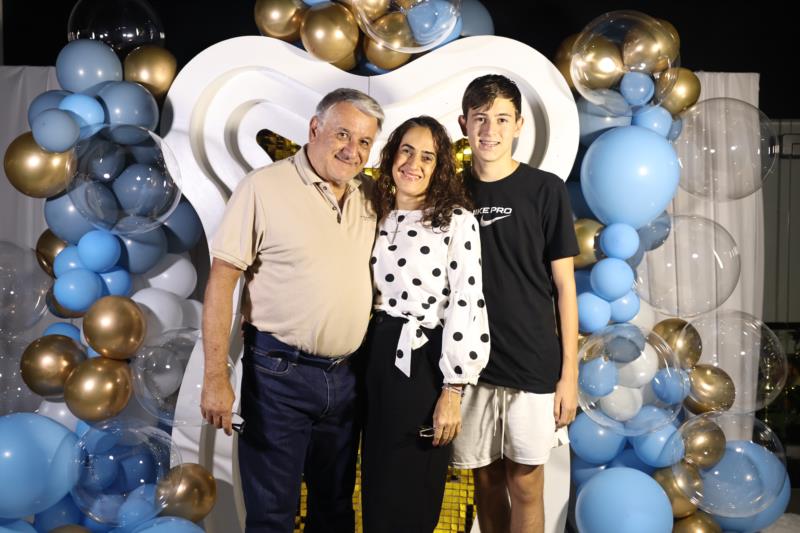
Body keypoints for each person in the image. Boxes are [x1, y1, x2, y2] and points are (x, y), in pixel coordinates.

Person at [200, 88, 384, 533]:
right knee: (271, 517)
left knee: (335, 514)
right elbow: (222, 280)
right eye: (343, 134)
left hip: (346, 378)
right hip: (277, 377)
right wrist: (216, 376)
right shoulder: (263, 187)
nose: (353, 150)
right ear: (315, 129)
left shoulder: (370, 194)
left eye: (364, 141)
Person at [451, 74, 579, 533]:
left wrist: (569, 375)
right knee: (485, 481)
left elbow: (565, 286)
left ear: (519, 125)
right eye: (481, 118)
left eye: (502, 119)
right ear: (463, 124)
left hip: (532, 361)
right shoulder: (450, 193)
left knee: (525, 483)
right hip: (470, 366)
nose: (491, 130)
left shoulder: (545, 190)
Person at [360, 116, 490, 532]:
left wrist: (452, 389)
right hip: (371, 355)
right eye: (406, 150)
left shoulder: (455, 220)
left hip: (422, 360)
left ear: (440, 167)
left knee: (412, 486)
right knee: (377, 483)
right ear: (391, 155)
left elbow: (468, 300)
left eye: (427, 157)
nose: (413, 163)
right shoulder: (373, 213)